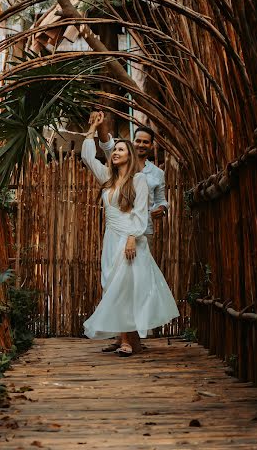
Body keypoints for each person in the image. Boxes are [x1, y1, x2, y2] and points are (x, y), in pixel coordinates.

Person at [81, 113, 179, 357]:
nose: (115, 153)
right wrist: (92, 129)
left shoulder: (140, 180)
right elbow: (86, 156)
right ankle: (125, 339)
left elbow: (140, 212)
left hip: (130, 238)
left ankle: (126, 341)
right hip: (110, 238)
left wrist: (133, 237)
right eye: (115, 150)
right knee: (111, 285)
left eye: (121, 150)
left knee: (126, 287)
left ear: (129, 156)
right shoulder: (107, 178)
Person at [93, 111, 168, 251]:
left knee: (142, 270)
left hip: (144, 230)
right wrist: (99, 123)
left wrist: (162, 209)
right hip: (119, 230)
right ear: (133, 142)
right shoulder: (118, 162)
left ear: (152, 146)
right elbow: (106, 143)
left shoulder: (157, 173)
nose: (141, 144)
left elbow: (161, 200)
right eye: (138, 140)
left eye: (146, 142)